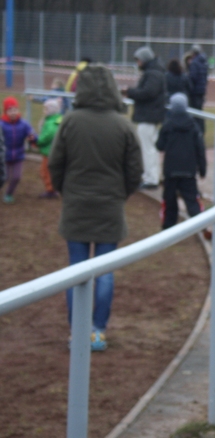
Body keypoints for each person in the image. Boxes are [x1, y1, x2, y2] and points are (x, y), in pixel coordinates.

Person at [48, 64, 143, 352]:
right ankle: (98, 330)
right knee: (105, 272)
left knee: (76, 270)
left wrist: (66, 191)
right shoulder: (123, 125)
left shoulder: (70, 121)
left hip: (76, 205)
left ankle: (77, 331)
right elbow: (135, 170)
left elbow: (55, 163)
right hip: (110, 207)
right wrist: (120, 194)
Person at [156, 92, 207, 230]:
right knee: (192, 201)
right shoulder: (194, 126)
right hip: (189, 171)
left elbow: (159, 145)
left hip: (170, 171)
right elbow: (200, 150)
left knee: (169, 202)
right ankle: (201, 225)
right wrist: (202, 169)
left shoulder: (167, 125)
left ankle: (168, 230)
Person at [122, 46, 167, 189]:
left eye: (139, 60)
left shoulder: (153, 74)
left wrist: (130, 92)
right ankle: (151, 176)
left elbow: (148, 92)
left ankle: (151, 179)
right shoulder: (154, 72)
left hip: (148, 116)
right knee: (150, 148)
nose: (138, 63)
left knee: (148, 149)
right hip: (150, 115)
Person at [2, 96, 38, 204]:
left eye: (15, 110)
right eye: (10, 110)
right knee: (5, 177)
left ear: (18, 110)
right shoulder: (1, 124)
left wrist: (33, 137)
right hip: (4, 156)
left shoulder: (23, 124)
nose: (13, 112)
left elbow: (31, 132)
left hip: (18, 155)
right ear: (5, 111)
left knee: (16, 177)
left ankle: (8, 194)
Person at [36, 99, 63, 199]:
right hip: (53, 151)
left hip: (48, 152)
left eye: (46, 109)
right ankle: (53, 188)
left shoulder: (51, 122)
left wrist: (38, 141)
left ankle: (51, 189)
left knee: (45, 171)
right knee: (49, 171)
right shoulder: (56, 120)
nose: (44, 111)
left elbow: (48, 135)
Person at [187, 44, 209, 133]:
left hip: (195, 91)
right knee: (200, 111)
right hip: (202, 90)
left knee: (195, 112)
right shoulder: (204, 62)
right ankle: (201, 130)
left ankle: (197, 131)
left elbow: (193, 77)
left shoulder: (194, 63)